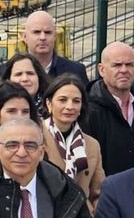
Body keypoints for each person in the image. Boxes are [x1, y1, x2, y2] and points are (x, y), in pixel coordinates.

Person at [84, 42, 134, 177]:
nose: (124, 70)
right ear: (102, 70)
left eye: (129, 65)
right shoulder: (89, 111)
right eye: (117, 65)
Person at [41, 74, 103, 210]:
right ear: (49, 103)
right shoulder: (35, 137)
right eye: (62, 100)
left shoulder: (92, 144)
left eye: (76, 101)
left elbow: (97, 193)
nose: (70, 106)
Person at [2, 10, 86, 83]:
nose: (42, 37)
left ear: (55, 37)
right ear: (25, 37)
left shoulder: (75, 72)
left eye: (48, 32)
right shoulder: (3, 72)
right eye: (36, 32)